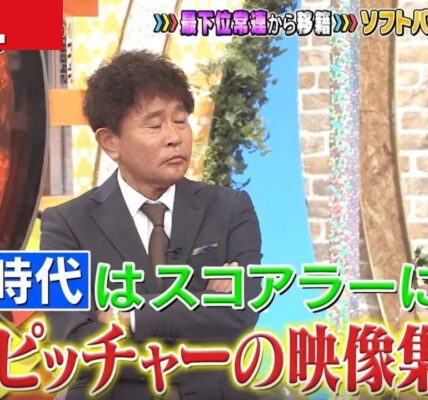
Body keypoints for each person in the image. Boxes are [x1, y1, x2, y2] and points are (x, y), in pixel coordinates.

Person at [41, 50, 262, 400]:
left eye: (180, 120)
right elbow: (71, 344)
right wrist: (201, 310)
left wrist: (129, 316)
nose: (175, 137)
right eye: (155, 125)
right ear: (110, 142)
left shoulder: (231, 208)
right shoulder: (63, 225)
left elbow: (240, 317)